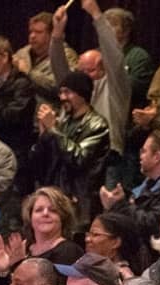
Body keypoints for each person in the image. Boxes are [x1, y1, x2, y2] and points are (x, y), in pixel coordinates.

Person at [50, 0, 130, 156]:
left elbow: (114, 57)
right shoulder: (76, 88)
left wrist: (96, 15)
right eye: (81, 71)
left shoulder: (116, 87)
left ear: (104, 70)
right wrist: (57, 33)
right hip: (72, 152)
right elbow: (58, 67)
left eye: (90, 70)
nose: (84, 76)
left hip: (106, 157)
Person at [31, 71, 111, 223]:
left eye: (67, 92)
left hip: (80, 200)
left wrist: (53, 130)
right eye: (61, 92)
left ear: (82, 94)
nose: (62, 97)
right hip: (56, 196)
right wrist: (44, 135)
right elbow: (39, 165)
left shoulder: (97, 125)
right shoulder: (63, 122)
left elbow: (79, 159)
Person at [0, 188, 85, 285]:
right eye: (39, 210)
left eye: (53, 210)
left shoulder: (69, 252)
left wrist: (18, 266)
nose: (45, 213)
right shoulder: (22, 248)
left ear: (63, 217)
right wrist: (1, 271)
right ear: (30, 217)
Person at [100, 131, 160, 241]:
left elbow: (151, 225)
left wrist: (119, 205)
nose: (140, 157)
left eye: (144, 151)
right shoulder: (150, 183)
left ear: (157, 157)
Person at [14, 12, 80, 105]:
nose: (32, 36)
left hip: (50, 110)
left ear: (51, 34)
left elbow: (64, 88)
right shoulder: (22, 53)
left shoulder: (66, 56)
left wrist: (30, 73)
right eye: (31, 32)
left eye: (38, 32)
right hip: (21, 108)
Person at [103, 7, 155, 109]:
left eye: (112, 25)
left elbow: (133, 90)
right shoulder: (96, 54)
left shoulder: (138, 57)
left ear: (126, 31)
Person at [85, 213, 146, 279]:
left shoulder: (122, 277)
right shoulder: (91, 270)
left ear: (116, 242)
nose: (87, 239)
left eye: (95, 234)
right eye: (88, 234)